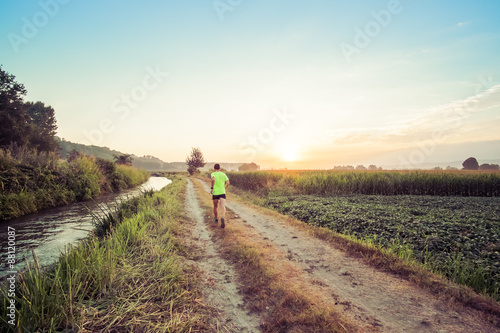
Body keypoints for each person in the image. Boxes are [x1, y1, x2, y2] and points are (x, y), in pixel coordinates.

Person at [210, 163, 230, 228]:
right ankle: (223, 217)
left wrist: (212, 188)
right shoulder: (223, 174)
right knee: (222, 206)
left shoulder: (213, 174)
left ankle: (216, 219)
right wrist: (224, 187)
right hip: (222, 192)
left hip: (215, 192)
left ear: (214, 168)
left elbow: (213, 180)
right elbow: (228, 183)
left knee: (215, 206)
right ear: (220, 168)